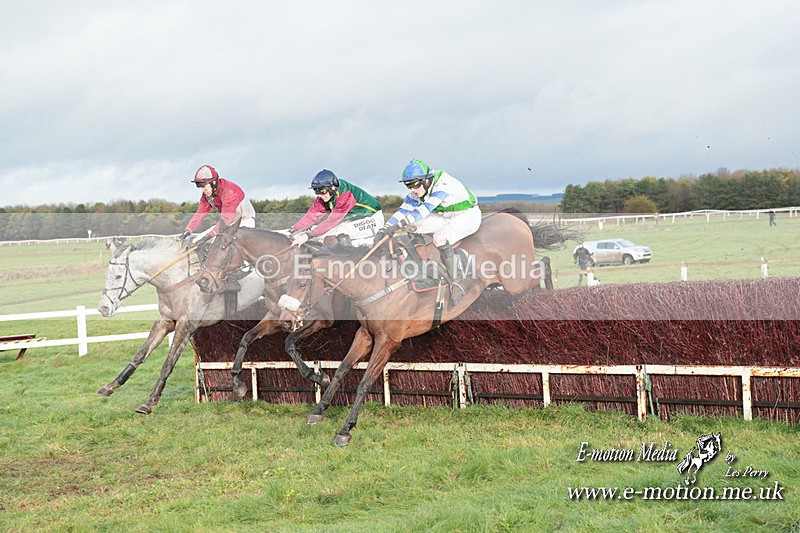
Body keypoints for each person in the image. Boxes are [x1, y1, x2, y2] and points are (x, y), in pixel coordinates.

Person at [376, 159, 480, 304]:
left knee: (439, 238)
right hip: (445, 216)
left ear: (426, 180)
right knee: (412, 225)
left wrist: (397, 226)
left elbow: (424, 210)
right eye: (408, 185)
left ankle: (457, 282)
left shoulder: (443, 183)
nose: (412, 189)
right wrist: (385, 228)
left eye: (415, 185)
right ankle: (421, 259)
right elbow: (403, 211)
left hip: (467, 216)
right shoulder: (418, 190)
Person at [289, 170, 383, 247]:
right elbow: (311, 217)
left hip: (372, 220)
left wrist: (308, 236)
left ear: (332, 187)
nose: (320, 195)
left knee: (336, 233)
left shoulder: (345, 194)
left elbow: (332, 221)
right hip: (355, 220)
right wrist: (293, 230)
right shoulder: (325, 197)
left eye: (323, 191)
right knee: (316, 231)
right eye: (317, 192)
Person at [180, 165, 256, 244]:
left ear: (213, 183)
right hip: (229, 224)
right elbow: (199, 215)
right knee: (196, 241)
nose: (203, 190)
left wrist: (209, 236)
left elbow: (226, 219)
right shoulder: (208, 194)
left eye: (204, 186)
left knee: (219, 244)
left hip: (245, 221)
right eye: (200, 187)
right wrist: (187, 231)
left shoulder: (228, 192)